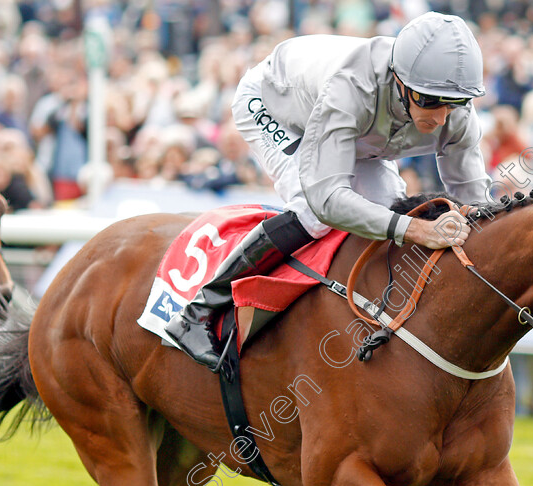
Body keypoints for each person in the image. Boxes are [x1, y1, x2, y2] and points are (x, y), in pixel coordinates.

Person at [165, 12, 491, 369]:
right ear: (399, 80)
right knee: (313, 212)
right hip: (276, 105)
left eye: (453, 103)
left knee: (386, 209)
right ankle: (198, 311)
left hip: (360, 130)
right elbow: (328, 200)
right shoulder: (352, 87)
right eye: (429, 100)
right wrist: (418, 229)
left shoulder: (455, 108)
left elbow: (475, 202)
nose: (442, 117)